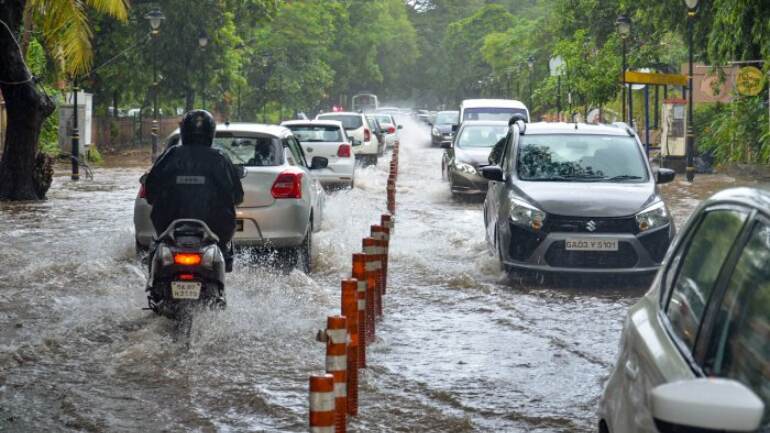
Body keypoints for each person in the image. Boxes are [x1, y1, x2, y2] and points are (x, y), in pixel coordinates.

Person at [144, 110, 244, 272]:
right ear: (211, 133)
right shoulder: (220, 158)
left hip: (168, 229)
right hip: (216, 232)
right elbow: (238, 196)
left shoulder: (170, 155)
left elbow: (150, 191)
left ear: (184, 132)